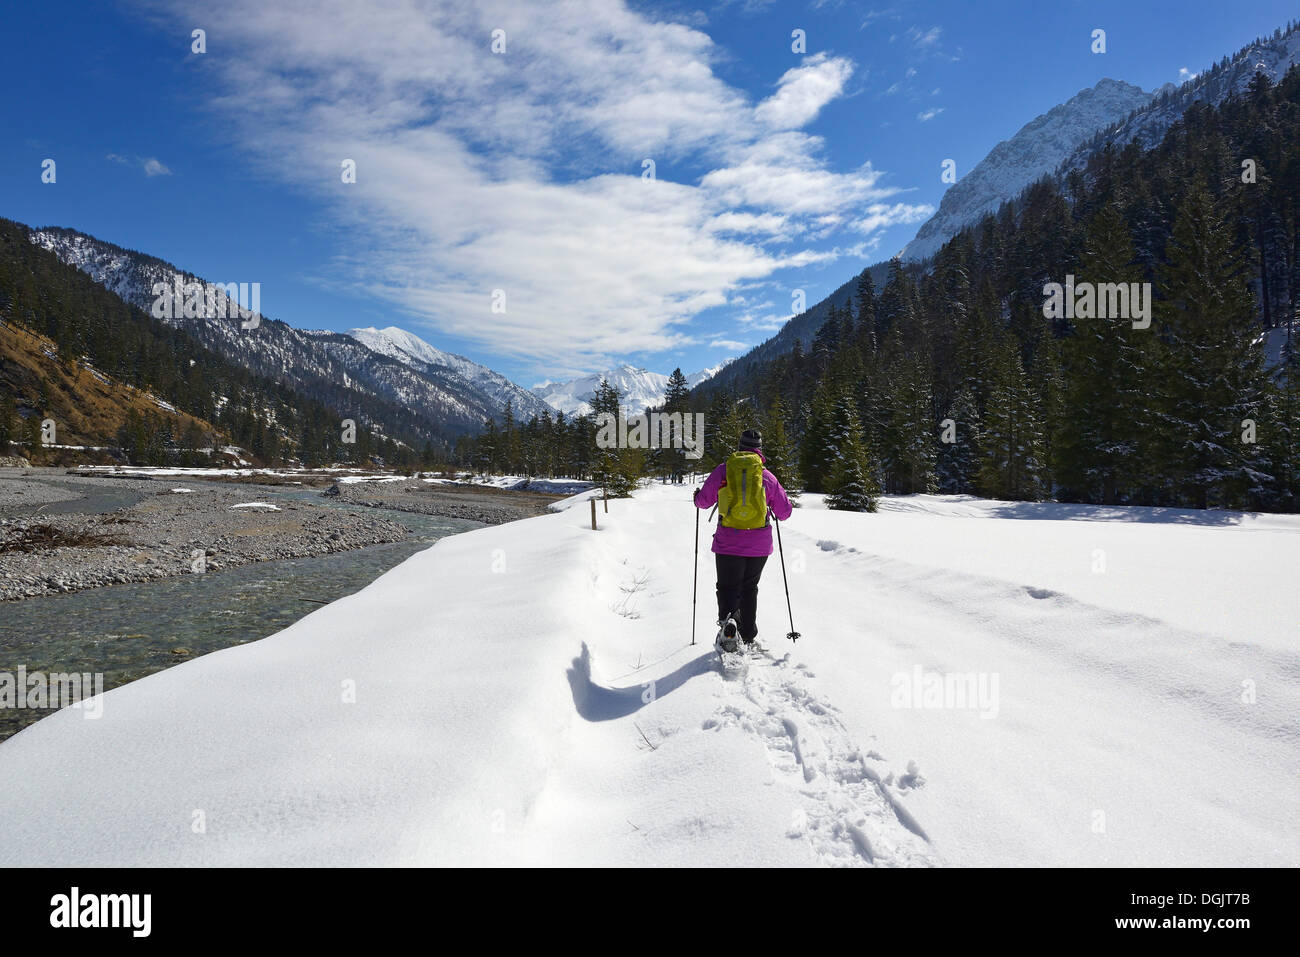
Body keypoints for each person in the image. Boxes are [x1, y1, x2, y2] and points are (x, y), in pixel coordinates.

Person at [693, 427, 793, 653]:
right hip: (758, 545)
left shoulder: (723, 471)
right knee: (750, 587)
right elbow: (785, 512)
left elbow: (703, 502)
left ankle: (728, 626)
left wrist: (696, 497)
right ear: (759, 450)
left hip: (728, 541)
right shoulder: (766, 476)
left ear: (739, 447)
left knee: (727, 587)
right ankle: (747, 634)